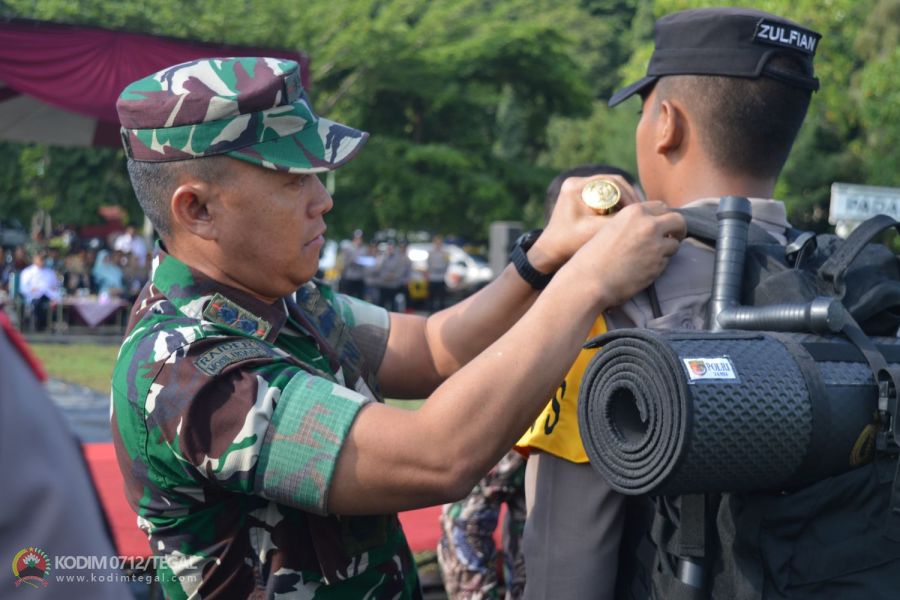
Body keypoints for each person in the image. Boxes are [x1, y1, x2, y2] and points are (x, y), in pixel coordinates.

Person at [110, 56, 684, 599]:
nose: (322, 200)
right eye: (292, 180)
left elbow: (434, 347)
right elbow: (437, 456)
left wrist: (542, 259)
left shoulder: (280, 298)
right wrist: (587, 283)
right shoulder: (186, 369)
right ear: (197, 210)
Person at [520, 8, 823, 600]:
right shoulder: (838, 280)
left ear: (666, 124)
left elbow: (565, 562)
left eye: (642, 111)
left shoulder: (609, 296)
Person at [18, 252, 61, 331]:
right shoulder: (27, 272)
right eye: (40, 259)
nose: (41, 261)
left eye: (43, 259)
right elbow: (23, 288)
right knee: (38, 304)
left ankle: (51, 325)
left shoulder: (50, 272)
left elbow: (55, 286)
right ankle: (39, 325)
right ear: (34, 260)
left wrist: (53, 292)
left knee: (56, 304)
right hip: (34, 297)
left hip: (48, 296)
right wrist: (32, 289)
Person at [338, 229, 368, 298]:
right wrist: (352, 261)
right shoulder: (348, 248)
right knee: (348, 297)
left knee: (360, 298)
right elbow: (344, 262)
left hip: (360, 278)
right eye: (357, 238)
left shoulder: (364, 249)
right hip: (350, 277)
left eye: (360, 238)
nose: (359, 240)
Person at [426, 234, 450, 312]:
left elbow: (447, 264)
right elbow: (428, 264)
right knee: (431, 298)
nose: (438, 244)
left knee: (441, 299)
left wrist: (439, 269)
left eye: (439, 242)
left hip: (441, 278)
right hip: (432, 278)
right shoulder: (430, 253)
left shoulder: (445, 253)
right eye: (436, 242)